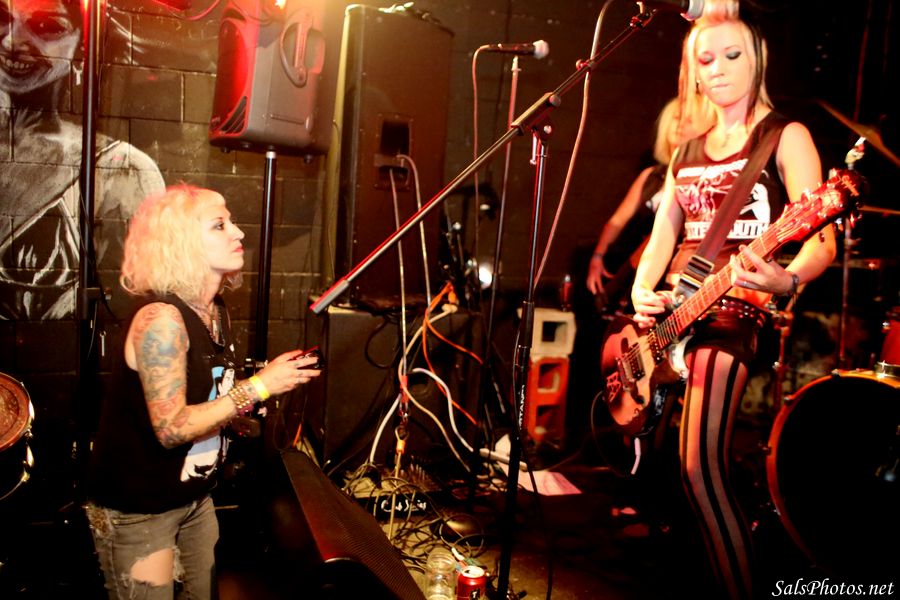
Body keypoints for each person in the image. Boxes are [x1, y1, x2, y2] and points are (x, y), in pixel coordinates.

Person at [629, 2, 836, 598]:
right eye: (705, 59)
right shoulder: (687, 149)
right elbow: (663, 235)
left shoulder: (786, 136)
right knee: (667, 476)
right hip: (676, 312)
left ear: (758, 58)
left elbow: (821, 237)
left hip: (737, 307)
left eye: (731, 55)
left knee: (700, 466)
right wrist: (643, 288)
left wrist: (787, 281)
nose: (717, 68)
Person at [84, 185, 322, 599]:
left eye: (232, 222)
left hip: (194, 499)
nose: (239, 232)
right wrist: (260, 386)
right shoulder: (162, 320)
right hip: (141, 510)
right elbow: (172, 428)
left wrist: (243, 413)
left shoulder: (216, 311)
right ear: (181, 242)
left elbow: (206, 401)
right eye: (219, 225)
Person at [0, 0, 165, 320]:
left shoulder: (122, 169)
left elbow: (144, 307)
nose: (12, 41)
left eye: (46, 26)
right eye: (2, 18)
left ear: (82, 48)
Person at [586, 97, 693, 310]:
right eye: (675, 118)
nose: (679, 125)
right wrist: (598, 256)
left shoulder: (701, 176)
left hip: (678, 272)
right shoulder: (651, 176)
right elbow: (617, 221)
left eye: (687, 119)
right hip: (639, 267)